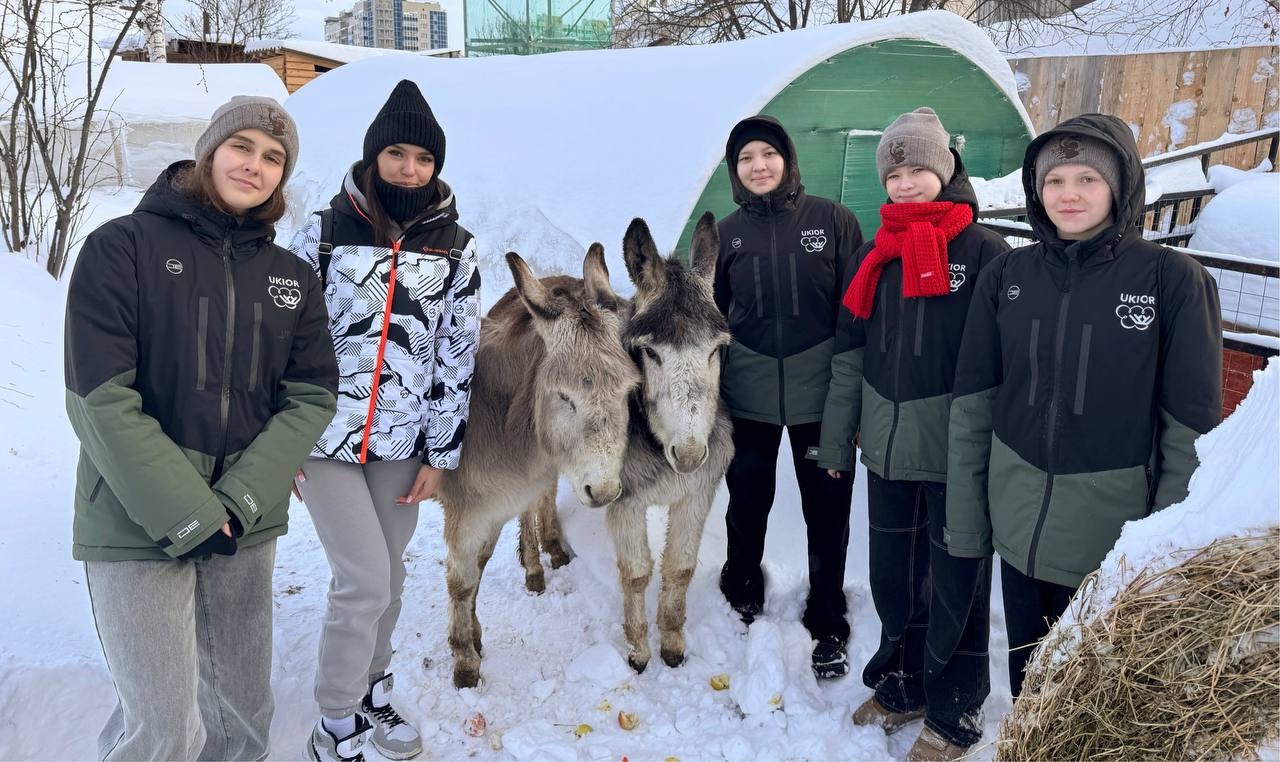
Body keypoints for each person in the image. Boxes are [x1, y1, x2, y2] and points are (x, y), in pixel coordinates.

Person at [65, 96, 338, 761]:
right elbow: (99, 396)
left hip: (246, 524)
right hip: (136, 521)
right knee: (161, 728)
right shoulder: (121, 248)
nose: (256, 165)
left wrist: (241, 499)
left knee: (242, 717)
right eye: (242, 146)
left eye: (274, 157)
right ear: (210, 149)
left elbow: (311, 395)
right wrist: (189, 511)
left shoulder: (291, 278)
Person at [945, 113, 1223, 699]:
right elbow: (974, 407)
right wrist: (969, 524)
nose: (1068, 194)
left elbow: (1190, 434)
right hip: (1019, 526)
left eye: (1086, 180)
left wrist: (1164, 554)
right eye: (1054, 181)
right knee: (1029, 688)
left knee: (1094, 701)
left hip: (1114, 543)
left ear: (1120, 186)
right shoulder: (1006, 276)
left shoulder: (1171, 280)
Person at [289, 79, 481, 762]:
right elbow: (279, 338)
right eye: (396, 154)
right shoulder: (320, 233)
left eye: (423, 159)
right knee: (363, 579)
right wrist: (280, 441)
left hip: (403, 443)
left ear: (437, 167)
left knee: (390, 576)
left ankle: (373, 689)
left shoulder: (455, 245)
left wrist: (441, 453)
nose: (408, 169)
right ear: (374, 157)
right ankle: (334, 720)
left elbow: (457, 355)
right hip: (323, 440)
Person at [810, 108, 1009, 761]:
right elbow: (849, 355)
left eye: (919, 168)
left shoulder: (984, 255)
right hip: (889, 451)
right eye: (894, 172)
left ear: (945, 169)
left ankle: (955, 716)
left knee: (957, 586)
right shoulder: (875, 253)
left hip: (957, 457)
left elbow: (1006, 366)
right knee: (895, 578)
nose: (905, 183)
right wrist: (838, 444)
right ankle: (902, 685)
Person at [713, 114, 865, 679]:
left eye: (767, 155)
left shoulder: (833, 220)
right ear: (735, 171)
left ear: (788, 158)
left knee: (827, 511)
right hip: (748, 395)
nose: (759, 166)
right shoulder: (728, 234)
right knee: (747, 501)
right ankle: (740, 592)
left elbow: (856, 315)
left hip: (821, 398)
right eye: (746, 159)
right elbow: (715, 317)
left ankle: (827, 618)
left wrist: (851, 399)